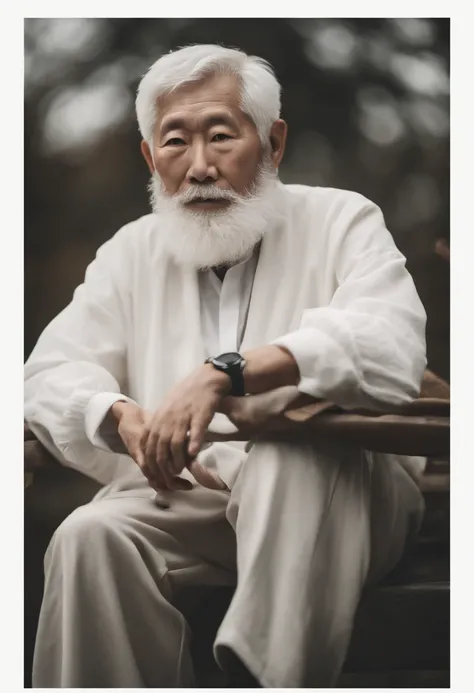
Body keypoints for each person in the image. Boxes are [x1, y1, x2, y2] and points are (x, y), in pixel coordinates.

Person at [24, 44, 427, 688]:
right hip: (201, 504)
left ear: (273, 143)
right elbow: (47, 374)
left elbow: (390, 343)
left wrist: (226, 372)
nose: (200, 167)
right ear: (150, 157)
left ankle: (263, 675)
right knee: (89, 535)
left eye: (221, 135)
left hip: (342, 502)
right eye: (176, 141)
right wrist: (117, 415)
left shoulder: (342, 217)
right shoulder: (132, 251)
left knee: (290, 451)